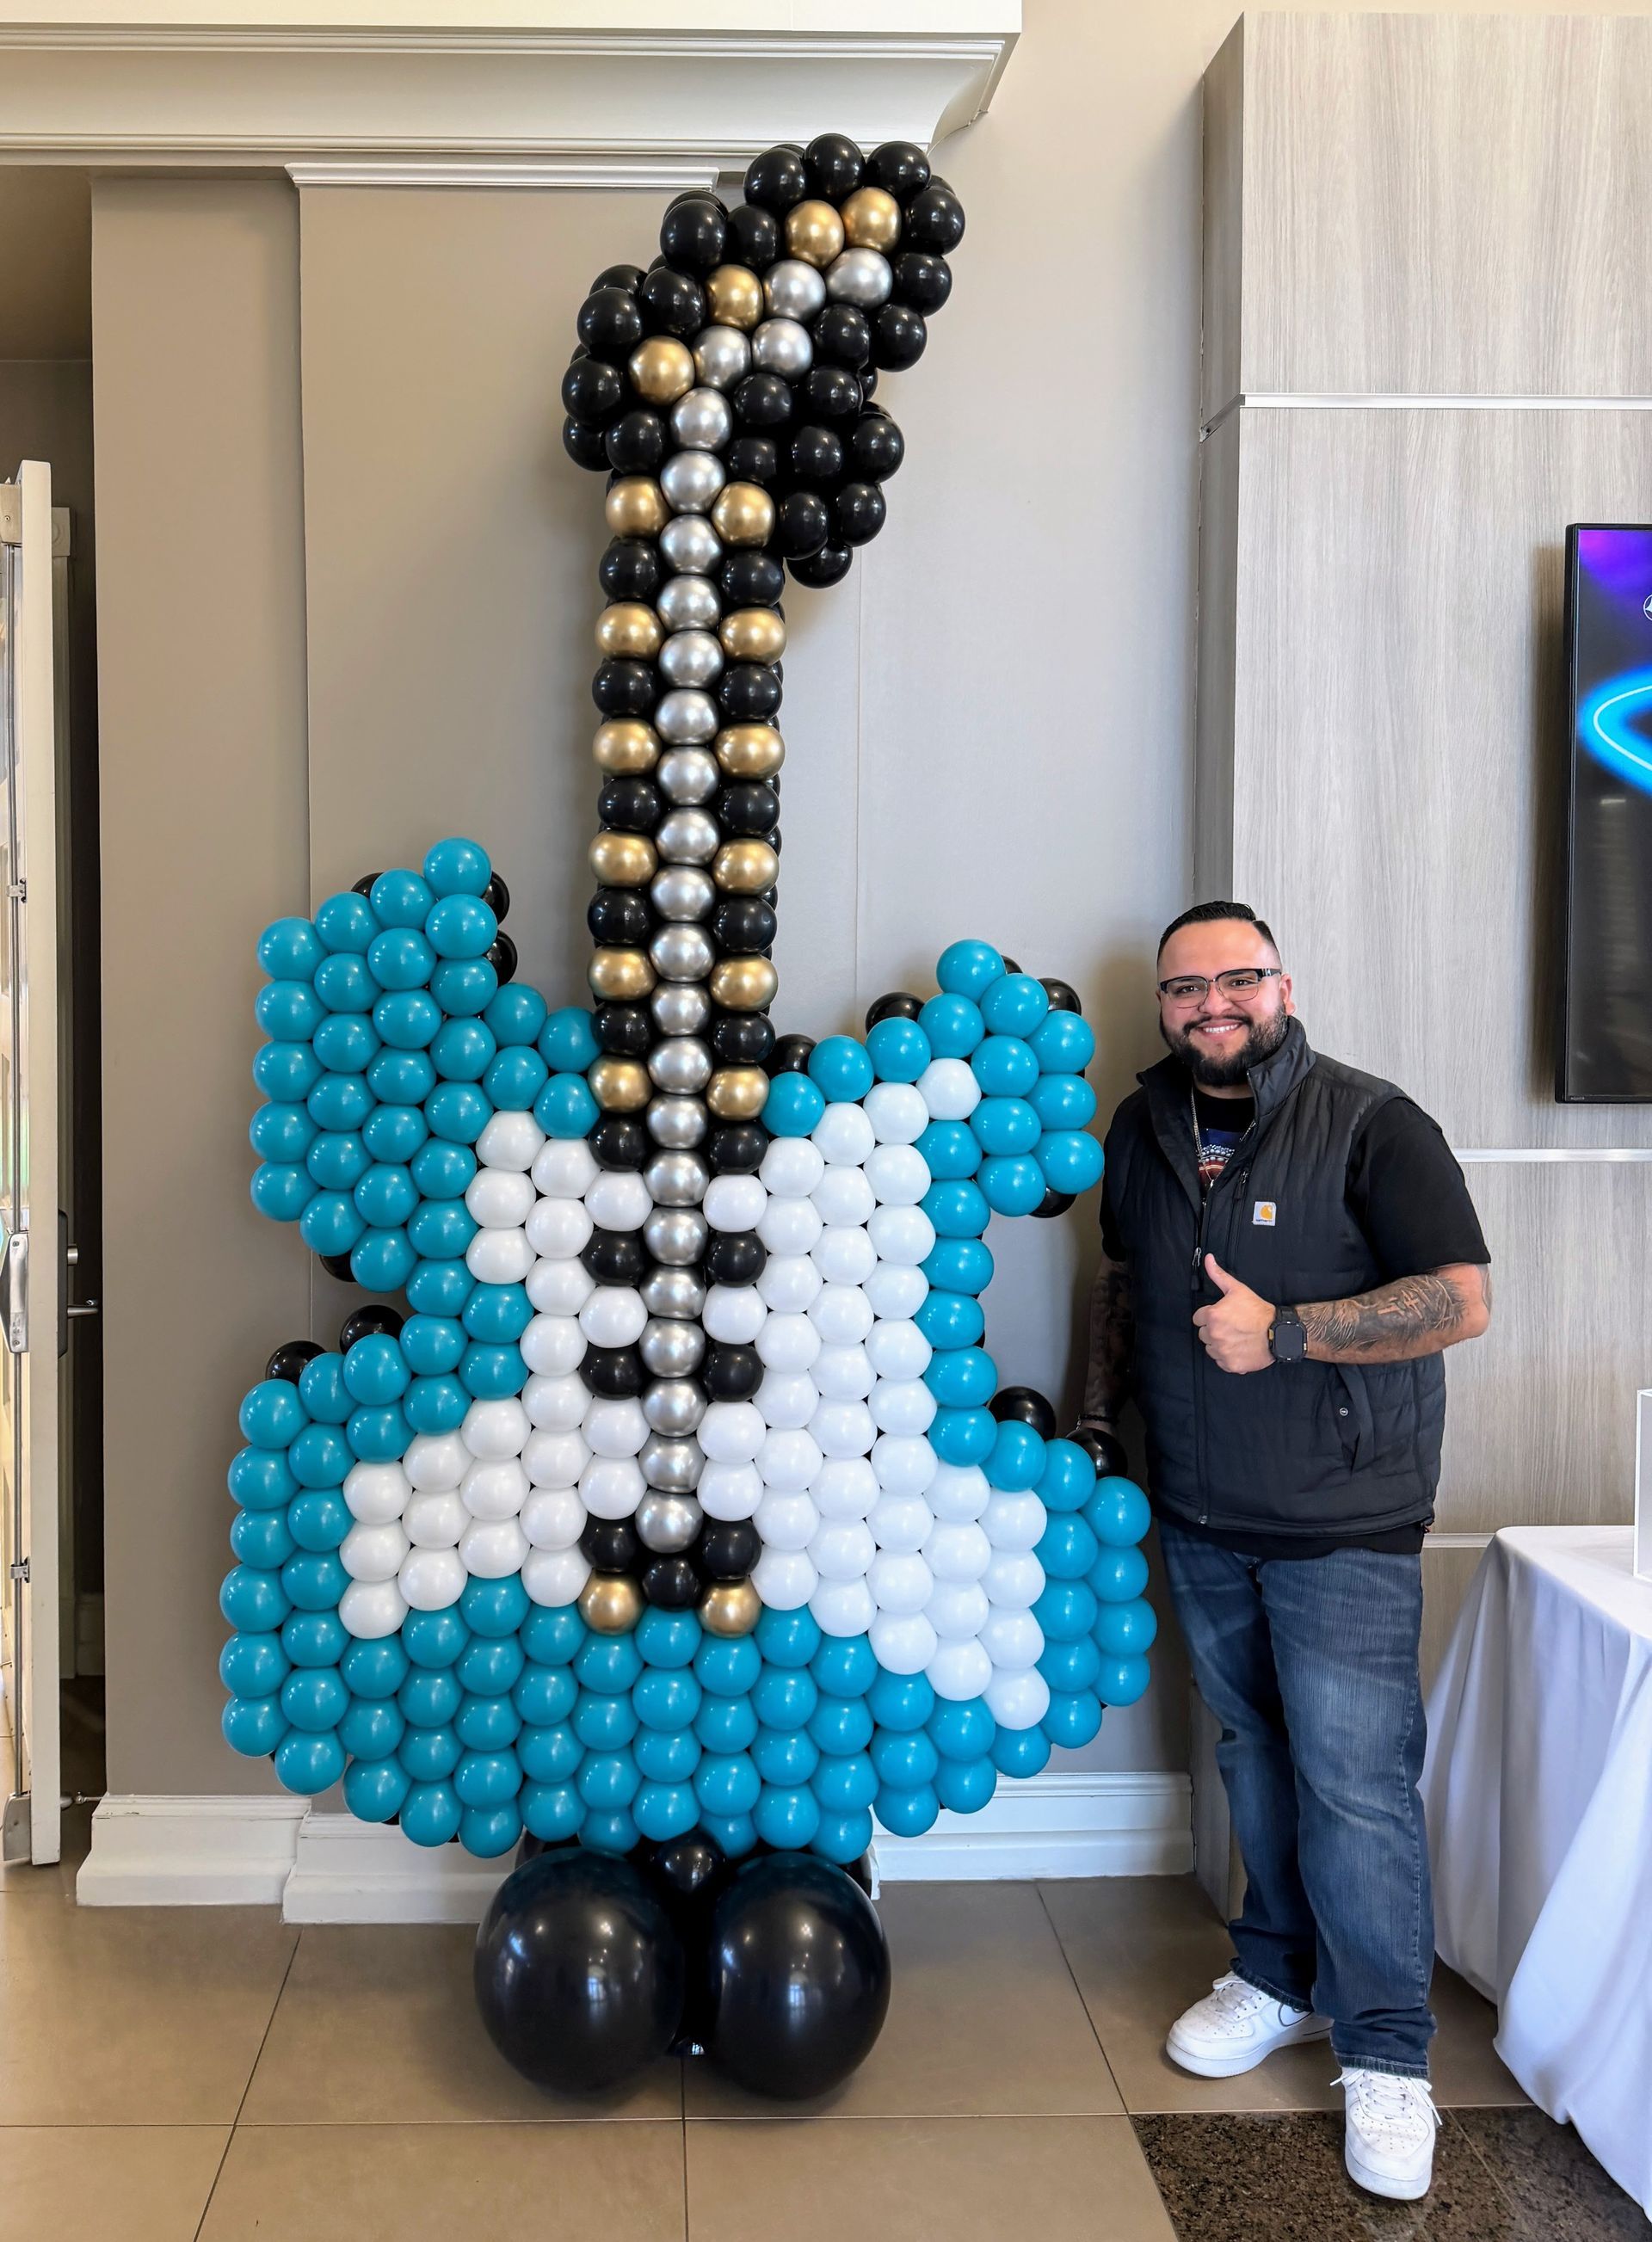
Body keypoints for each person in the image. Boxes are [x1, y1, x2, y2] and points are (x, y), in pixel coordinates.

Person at [1078, 900, 1491, 2204]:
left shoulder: (1374, 1120)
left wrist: (1295, 1331)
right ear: (1162, 1006)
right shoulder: (1139, 1126)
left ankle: (1387, 2054)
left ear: (1282, 984)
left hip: (1343, 1519)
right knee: (1255, 1751)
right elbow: (1125, 1289)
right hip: (1201, 1513)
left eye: (1238, 978)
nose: (1215, 1002)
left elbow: (1461, 1299)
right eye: (1187, 985)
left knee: (1357, 1785)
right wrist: (1098, 1421)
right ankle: (1277, 1973)